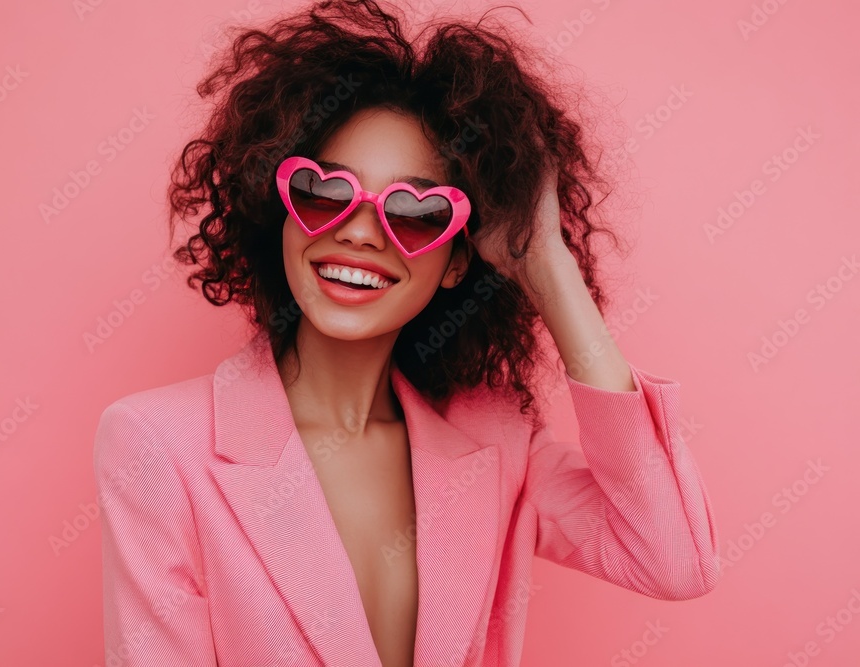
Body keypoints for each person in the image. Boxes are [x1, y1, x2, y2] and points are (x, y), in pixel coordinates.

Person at [93, 1, 721, 665]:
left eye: (416, 211)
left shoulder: (497, 441)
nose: (360, 231)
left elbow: (674, 558)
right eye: (323, 192)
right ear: (281, 215)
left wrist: (547, 260)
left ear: (457, 262)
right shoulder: (156, 445)